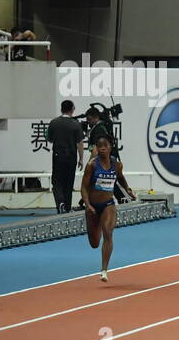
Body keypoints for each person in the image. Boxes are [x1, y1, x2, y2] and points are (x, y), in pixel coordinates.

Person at [80, 135, 136, 282]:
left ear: (111, 148)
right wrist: (87, 204)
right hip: (92, 206)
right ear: (96, 149)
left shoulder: (117, 165)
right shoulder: (92, 165)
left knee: (108, 233)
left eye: (105, 146)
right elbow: (84, 187)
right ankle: (95, 224)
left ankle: (104, 270)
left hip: (108, 205)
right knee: (94, 243)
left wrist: (128, 189)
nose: (103, 148)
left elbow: (121, 178)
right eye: (100, 146)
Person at [46, 99, 84, 214]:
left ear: (61, 109)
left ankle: (60, 203)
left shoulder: (54, 123)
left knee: (57, 182)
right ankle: (67, 207)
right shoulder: (76, 124)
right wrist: (81, 159)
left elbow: (49, 139)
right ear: (72, 109)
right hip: (71, 156)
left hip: (58, 156)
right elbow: (80, 143)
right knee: (68, 182)